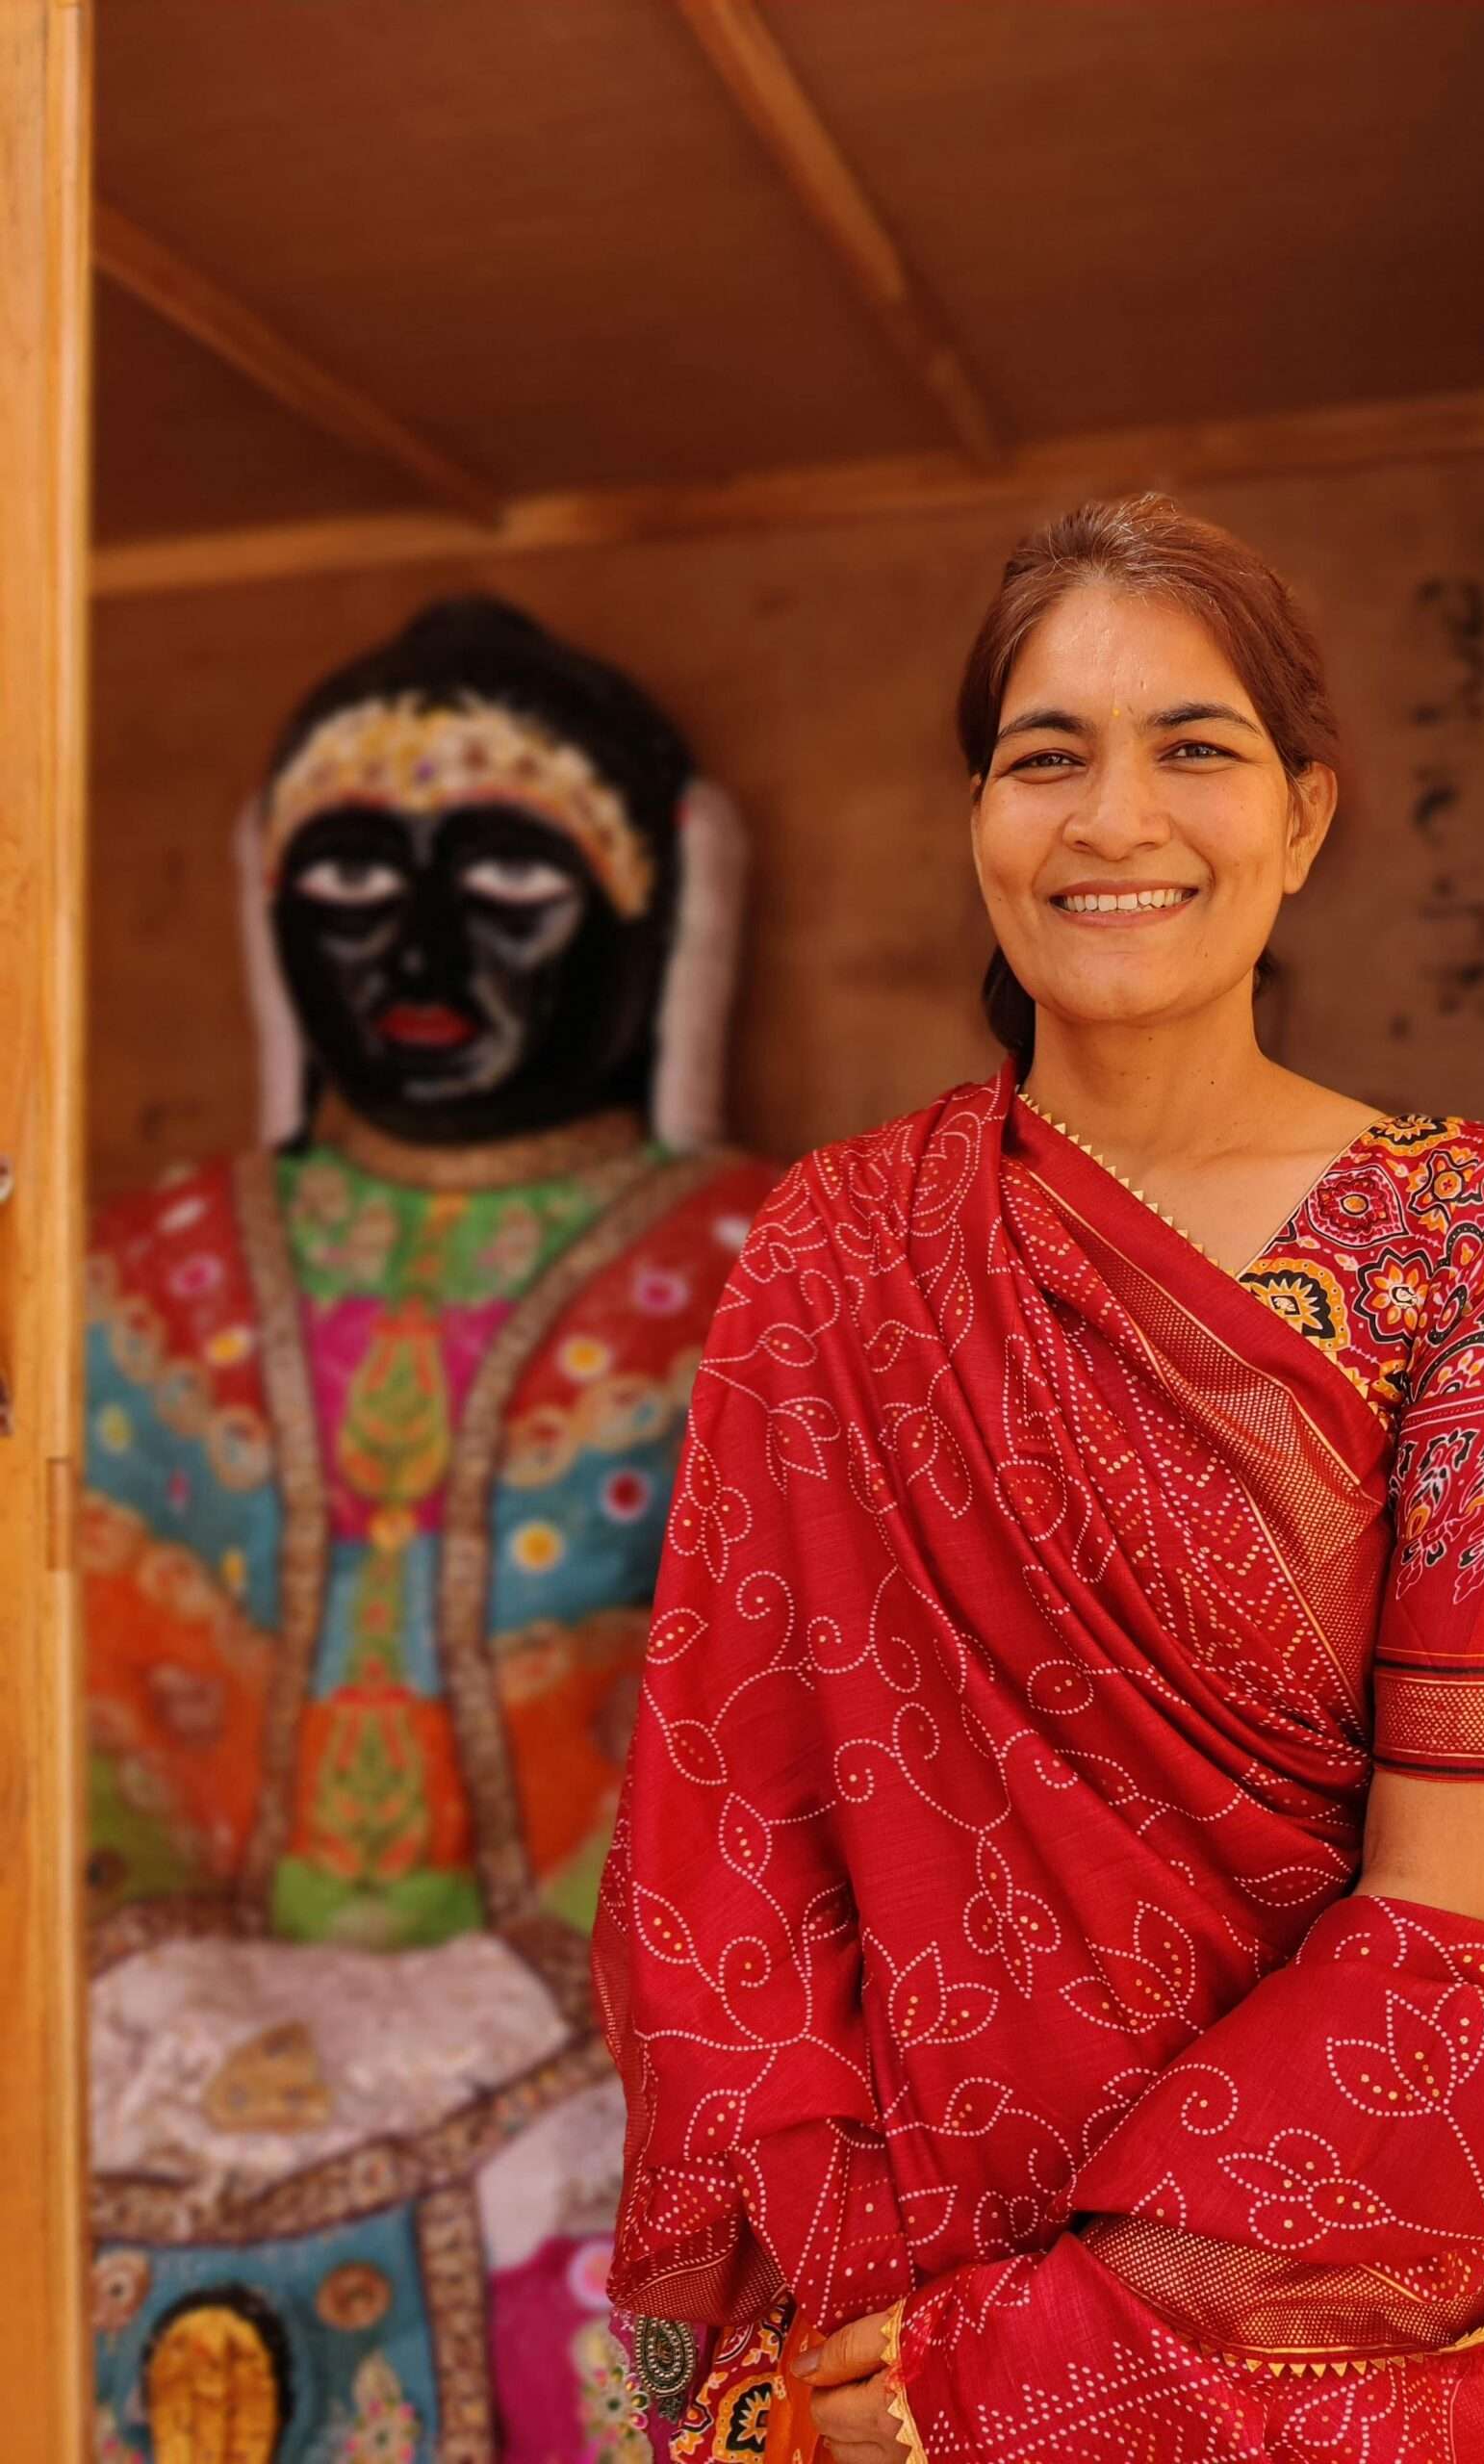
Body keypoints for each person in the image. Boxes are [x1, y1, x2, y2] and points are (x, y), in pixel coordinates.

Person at [597, 497, 1484, 2464]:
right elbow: (723, 1845)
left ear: (1308, 818)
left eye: (1195, 746)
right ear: (981, 817)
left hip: (1328, 2306)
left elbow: (1459, 1891)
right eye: (1045, 756)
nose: (1112, 819)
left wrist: (1054, 2343)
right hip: (879, 2316)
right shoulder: (840, 1256)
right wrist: (853, 2316)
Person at [84, 599, 780, 2463]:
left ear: (651, 919)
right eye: (347, 875)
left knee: (659, 2303)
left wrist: (550, 1988)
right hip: (160, 2008)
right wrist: (141, 1961)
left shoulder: (786, 1272)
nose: (416, 939)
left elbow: (808, 1715)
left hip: (609, 2026)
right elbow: (55, 1687)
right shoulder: (122, 1279)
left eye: (508, 874)